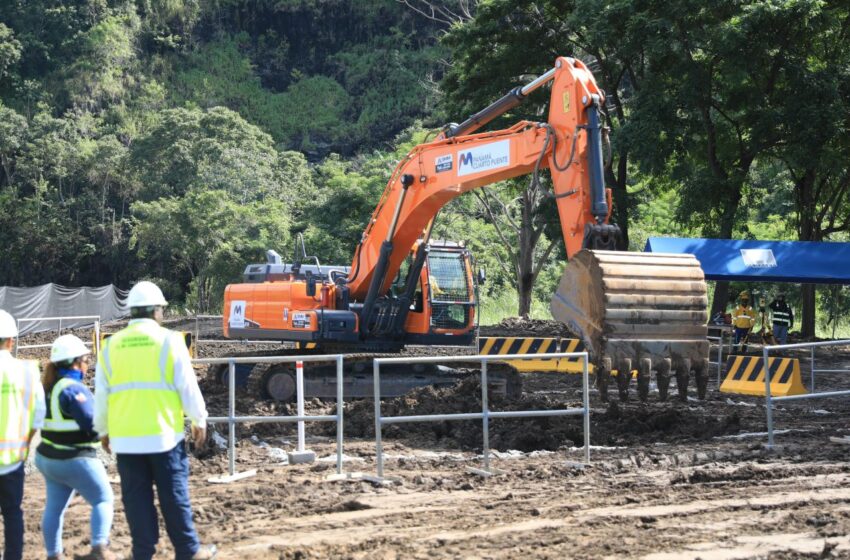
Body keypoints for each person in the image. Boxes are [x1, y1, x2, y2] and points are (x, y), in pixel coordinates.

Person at [93, 281, 217, 560]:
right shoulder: (170, 341)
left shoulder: (111, 347)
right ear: (156, 311)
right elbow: (187, 387)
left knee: (136, 502)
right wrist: (199, 419)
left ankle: (142, 553)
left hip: (126, 441)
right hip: (164, 438)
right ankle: (187, 551)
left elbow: (101, 395)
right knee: (174, 497)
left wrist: (103, 430)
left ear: (132, 311)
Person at [35, 334, 115, 560]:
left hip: (48, 458)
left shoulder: (49, 387)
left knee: (54, 508)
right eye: (86, 360)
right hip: (74, 458)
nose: (88, 364)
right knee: (103, 499)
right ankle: (99, 548)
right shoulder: (73, 389)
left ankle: (54, 554)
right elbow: (92, 423)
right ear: (75, 362)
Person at [0, 309, 46, 560]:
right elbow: (39, 413)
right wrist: (26, 442)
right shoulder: (27, 371)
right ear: (11, 341)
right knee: (12, 513)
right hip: (12, 460)